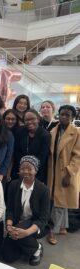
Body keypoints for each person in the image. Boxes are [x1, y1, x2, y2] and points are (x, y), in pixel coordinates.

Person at [2, 156, 50, 266]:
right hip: (17, 223)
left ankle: (37, 248)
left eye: (29, 169)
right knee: (8, 257)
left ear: (36, 170)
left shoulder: (43, 190)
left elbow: (43, 219)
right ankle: (24, 244)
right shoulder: (13, 185)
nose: (26, 171)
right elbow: (9, 210)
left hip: (34, 223)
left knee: (20, 232)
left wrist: (26, 233)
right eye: (23, 168)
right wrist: (9, 225)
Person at [47, 105, 80, 245]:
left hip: (65, 172)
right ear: (58, 115)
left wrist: (69, 173)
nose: (64, 117)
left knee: (58, 203)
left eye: (67, 115)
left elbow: (78, 156)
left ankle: (52, 232)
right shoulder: (54, 130)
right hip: (53, 171)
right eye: (62, 114)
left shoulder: (76, 133)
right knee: (60, 200)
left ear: (73, 117)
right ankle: (62, 227)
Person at [12, 109, 51, 183]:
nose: (29, 122)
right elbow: (17, 152)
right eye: (27, 120)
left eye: (32, 119)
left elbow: (43, 156)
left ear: (38, 119)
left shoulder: (45, 135)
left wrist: (30, 170)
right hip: (20, 170)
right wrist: (22, 169)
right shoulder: (19, 132)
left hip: (37, 173)